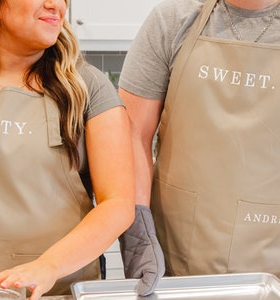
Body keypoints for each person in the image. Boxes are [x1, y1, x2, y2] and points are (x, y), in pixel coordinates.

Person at [118, 0, 280, 295]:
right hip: (176, 261)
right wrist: (138, 233)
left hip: (271, 266)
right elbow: (131, 135)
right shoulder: (173, 20)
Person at [0, 0, 135, 299]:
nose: (56, 6)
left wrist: (47, 267)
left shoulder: (87, 87)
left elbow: (117, 203)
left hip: (58, 289)